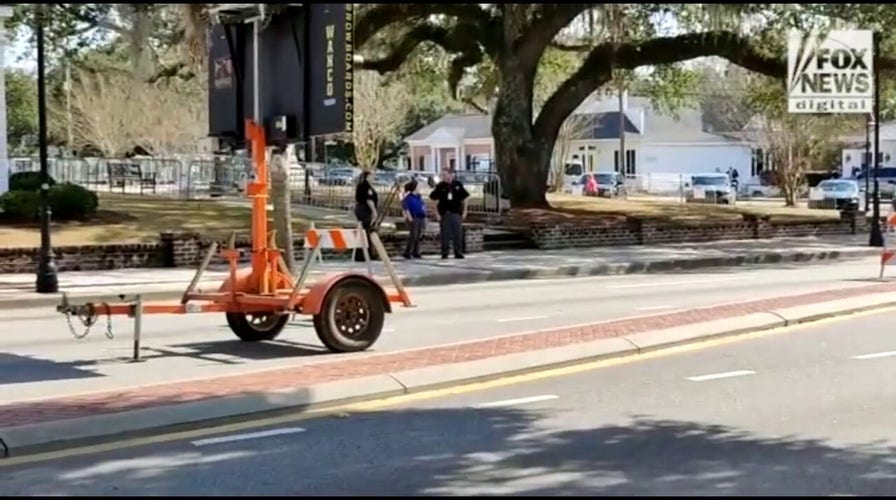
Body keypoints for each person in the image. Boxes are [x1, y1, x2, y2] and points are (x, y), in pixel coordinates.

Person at [429, 168, 469, 259]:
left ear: (450, 174)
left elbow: (465, 197)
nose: (443, 176)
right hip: (445, 213)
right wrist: (437, 213)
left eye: (445, 174)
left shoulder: (458, 184)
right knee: (445, 234)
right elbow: (432, 199)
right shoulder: (440, 186)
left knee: (457, 233)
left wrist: (465, 211)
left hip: (456, 213)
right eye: (442, 175)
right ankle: (445, 252)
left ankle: (458, 252)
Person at [353, 170, 379, 262]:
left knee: (365, 231)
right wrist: (374, 212)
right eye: (372, 176)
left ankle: (366, 253)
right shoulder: (365, 186)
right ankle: (364, 253)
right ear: (367, 177)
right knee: (366, 230)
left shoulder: (364, 186)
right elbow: (369, 200)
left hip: (362, 209)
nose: (373, 178)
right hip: (364, 210)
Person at [401, 180, 426, 259]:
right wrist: (409, 217)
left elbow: (422, 205)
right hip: (413, 217)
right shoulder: (408, 197)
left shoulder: (419, 197)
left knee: (418, 235)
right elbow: (406, 208)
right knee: (413, 235)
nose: (420, 188)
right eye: (418, 186)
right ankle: (408, 252)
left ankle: (416, 251)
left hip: (420, 217)